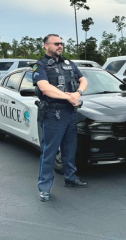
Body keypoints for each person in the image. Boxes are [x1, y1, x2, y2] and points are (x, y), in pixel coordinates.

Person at [33, 34, 89, 202]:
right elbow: (45, 88)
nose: (60, 46)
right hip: (53, 114)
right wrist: (69, 97)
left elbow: (84, 80)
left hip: (70, 112)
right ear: (46, 46)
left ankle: (70, 178)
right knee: (49, 152)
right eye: (56, 43)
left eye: (61, 43)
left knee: (69, 149)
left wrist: (78, 93)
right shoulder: (40, 65)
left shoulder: (69, 64)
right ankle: (44, 187)